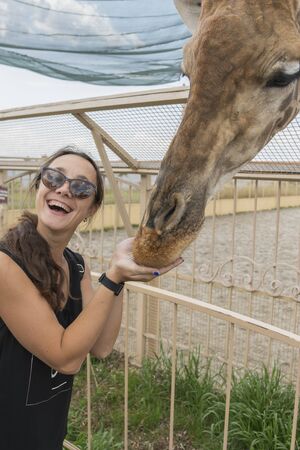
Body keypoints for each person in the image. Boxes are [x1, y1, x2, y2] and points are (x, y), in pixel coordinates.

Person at [0, 146, 182, 450]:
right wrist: (111, 280)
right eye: (54, 177)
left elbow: (101, 345)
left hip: (46, 430)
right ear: (39, 186)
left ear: (92, 209)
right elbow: (65, 357)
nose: (64, 189)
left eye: (81, 187)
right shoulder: (6, 265)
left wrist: (119, 273)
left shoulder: (77, 265)